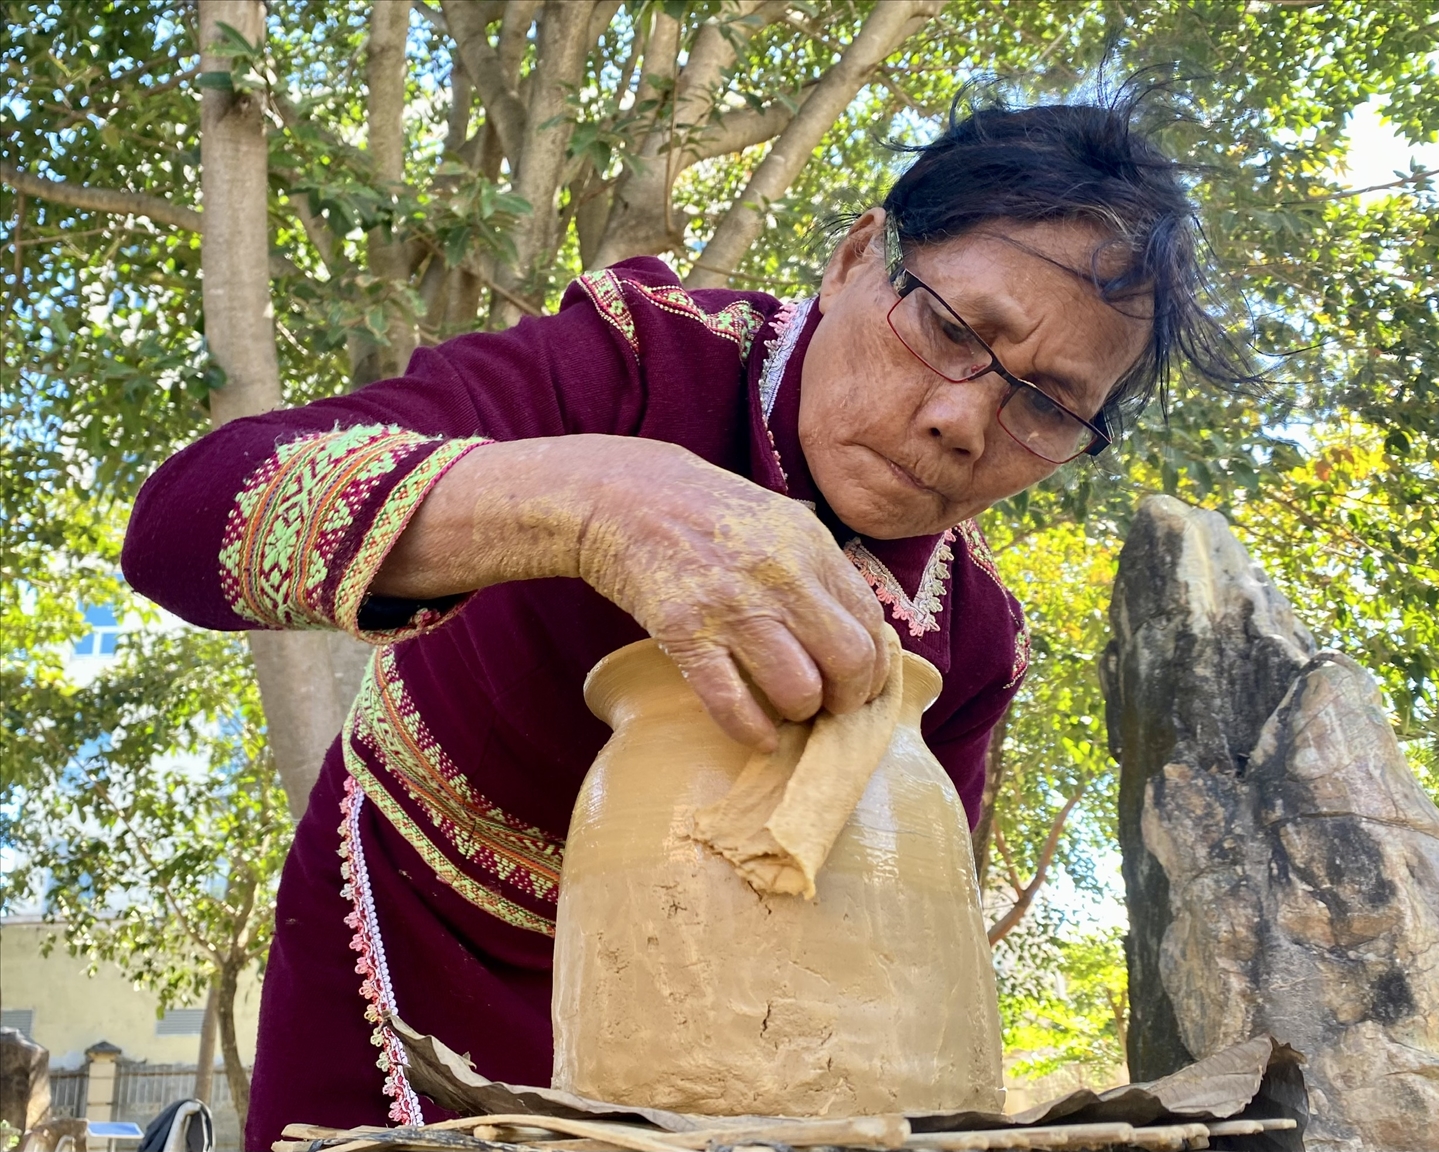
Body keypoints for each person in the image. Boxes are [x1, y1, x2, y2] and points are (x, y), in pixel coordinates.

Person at [123, 86, 1247, 1147]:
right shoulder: (635, 357)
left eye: (1048, 404)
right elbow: (183, 519)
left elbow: (904, 948)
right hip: (417, 927)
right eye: (955, 329)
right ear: (859, 256)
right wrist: (590, 504)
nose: (964, 421)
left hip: (737, 1026)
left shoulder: (976, 640)